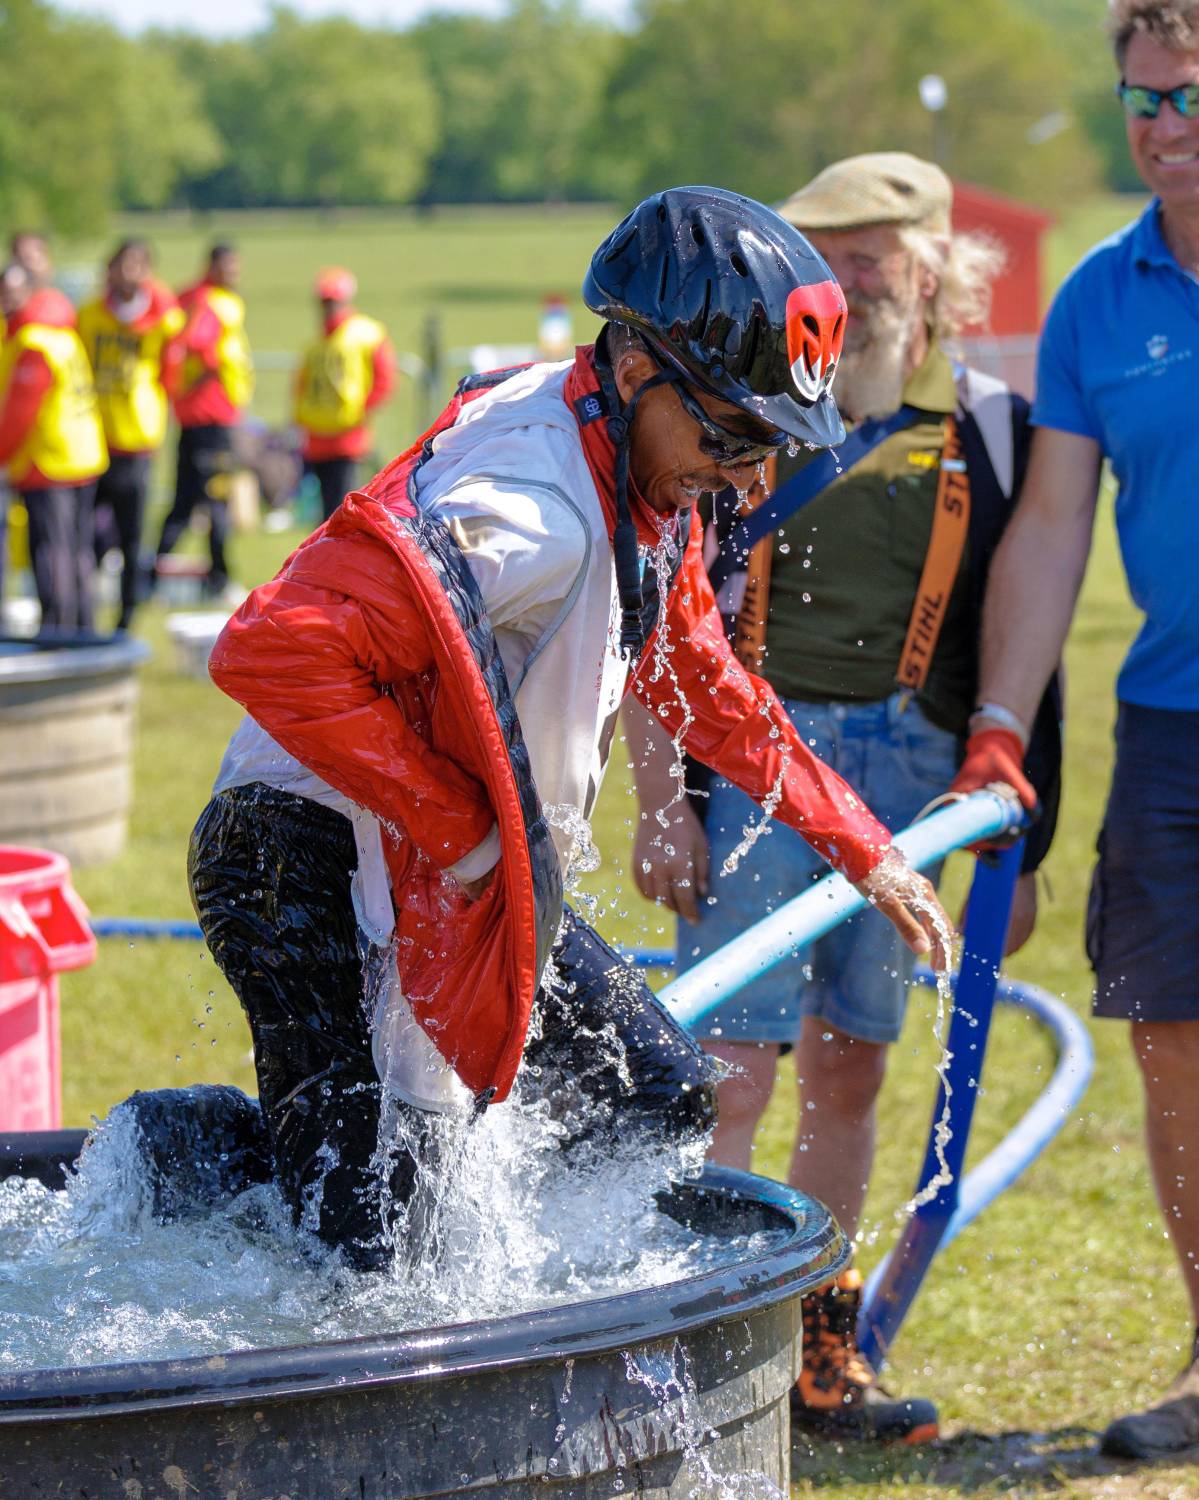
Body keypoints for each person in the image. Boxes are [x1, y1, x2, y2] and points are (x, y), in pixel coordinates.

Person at [188, 187, 953, 1275]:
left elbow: (699, 674)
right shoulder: (526, 511)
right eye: (733, 434)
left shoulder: (632, 469)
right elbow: (272, 651)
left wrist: (859, 846)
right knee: (362, 1251)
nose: (744, 480)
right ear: (636, 367)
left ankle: (509, 1306)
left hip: (440, 855)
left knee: (655, 1099)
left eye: (770, 443)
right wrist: (470, 839)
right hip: (294, 857)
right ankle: (177, 1183)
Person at [626, 154, 1061, 1445]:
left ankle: (819, 1347)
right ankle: (690, 1339)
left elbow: (1015, 645)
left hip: (915, 779)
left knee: (851, 1068)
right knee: (726, 1072)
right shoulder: (747, 407)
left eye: (875, 251)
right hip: (753, 764)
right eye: (831, 252)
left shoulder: (990, 424)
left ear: (935, 266)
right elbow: (664, 606)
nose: (852, 275)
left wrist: (1017, 839)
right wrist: (661, 800)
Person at [951, 0, 1199, 1461]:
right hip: (1166, 728)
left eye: (1185, 97)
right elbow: (1046, 529)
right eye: (1138, 101)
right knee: (1168, 1040)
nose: (1160, 128)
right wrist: (997, 728)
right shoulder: (1101, 301)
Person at [78, 240, 184, 630]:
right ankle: (80, 614)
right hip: (92, 441)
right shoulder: (88, 316)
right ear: (109, 269)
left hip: (136, 441)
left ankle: (126, 617)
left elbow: (169, 377)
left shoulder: (163, 320)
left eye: (140, 264)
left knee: (131, 538)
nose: (130, 272)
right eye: (123, 264)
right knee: (82, 536)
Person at [0, 262, 106, 631]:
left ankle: (58, 629)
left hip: (49, 459)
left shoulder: (33, 342)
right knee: (77, 549)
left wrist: (2, 454)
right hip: (82, 455)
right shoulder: (62, 332)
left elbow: (20, 413)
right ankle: (83, 625)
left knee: (50, 551)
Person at [156, 244, 253, 599]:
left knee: (185, 500)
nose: (234, 273)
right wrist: (202, 376)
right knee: (216, 500)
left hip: (198, 417)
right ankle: (220, 578)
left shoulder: (192, 296)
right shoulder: (210, 301)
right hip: (211, 417)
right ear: (212, 265)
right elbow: (197, 342)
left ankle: (151, 569)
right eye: (228, 265)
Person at [293, 266, 395, 523]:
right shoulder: (316, 344)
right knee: (325, 515)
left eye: (333, 301)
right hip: (315, 438)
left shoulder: (366, 333)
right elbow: (301, 385)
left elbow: (384, 379)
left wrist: (361, 411)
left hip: (347, 438)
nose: (328, 307)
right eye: (324, 302)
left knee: (343, 512)